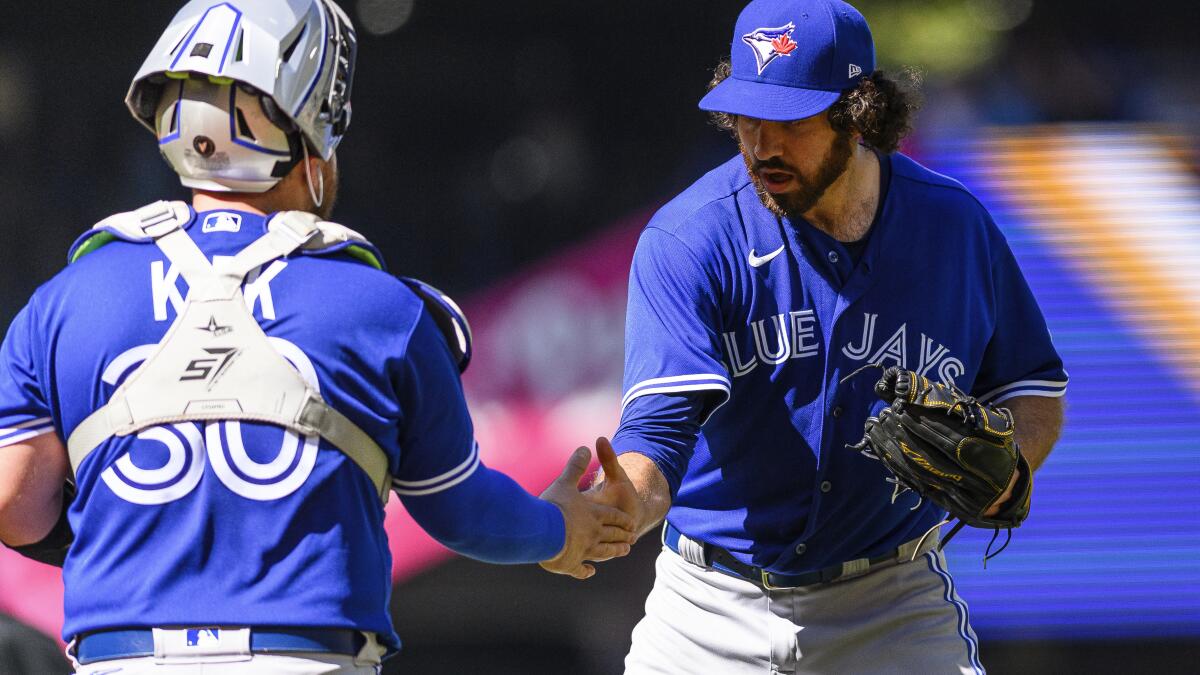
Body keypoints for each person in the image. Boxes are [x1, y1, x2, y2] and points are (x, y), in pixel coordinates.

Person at [0, 1, 635, 673]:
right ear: (313, 128)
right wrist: (563, 529)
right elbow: (462, 508)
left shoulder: (62, 301)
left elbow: (15, 505)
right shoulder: (380, 305)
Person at [589, 0, 1068, 672]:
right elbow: (658, 435)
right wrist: (614, 506)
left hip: (889, 600)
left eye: (786, 119)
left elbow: (1034, 393)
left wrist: (1011, 463)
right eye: (746, 116)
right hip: (708, 607)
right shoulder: (692, 238)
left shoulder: (954, 229)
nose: (761, 144)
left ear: (860, 111)